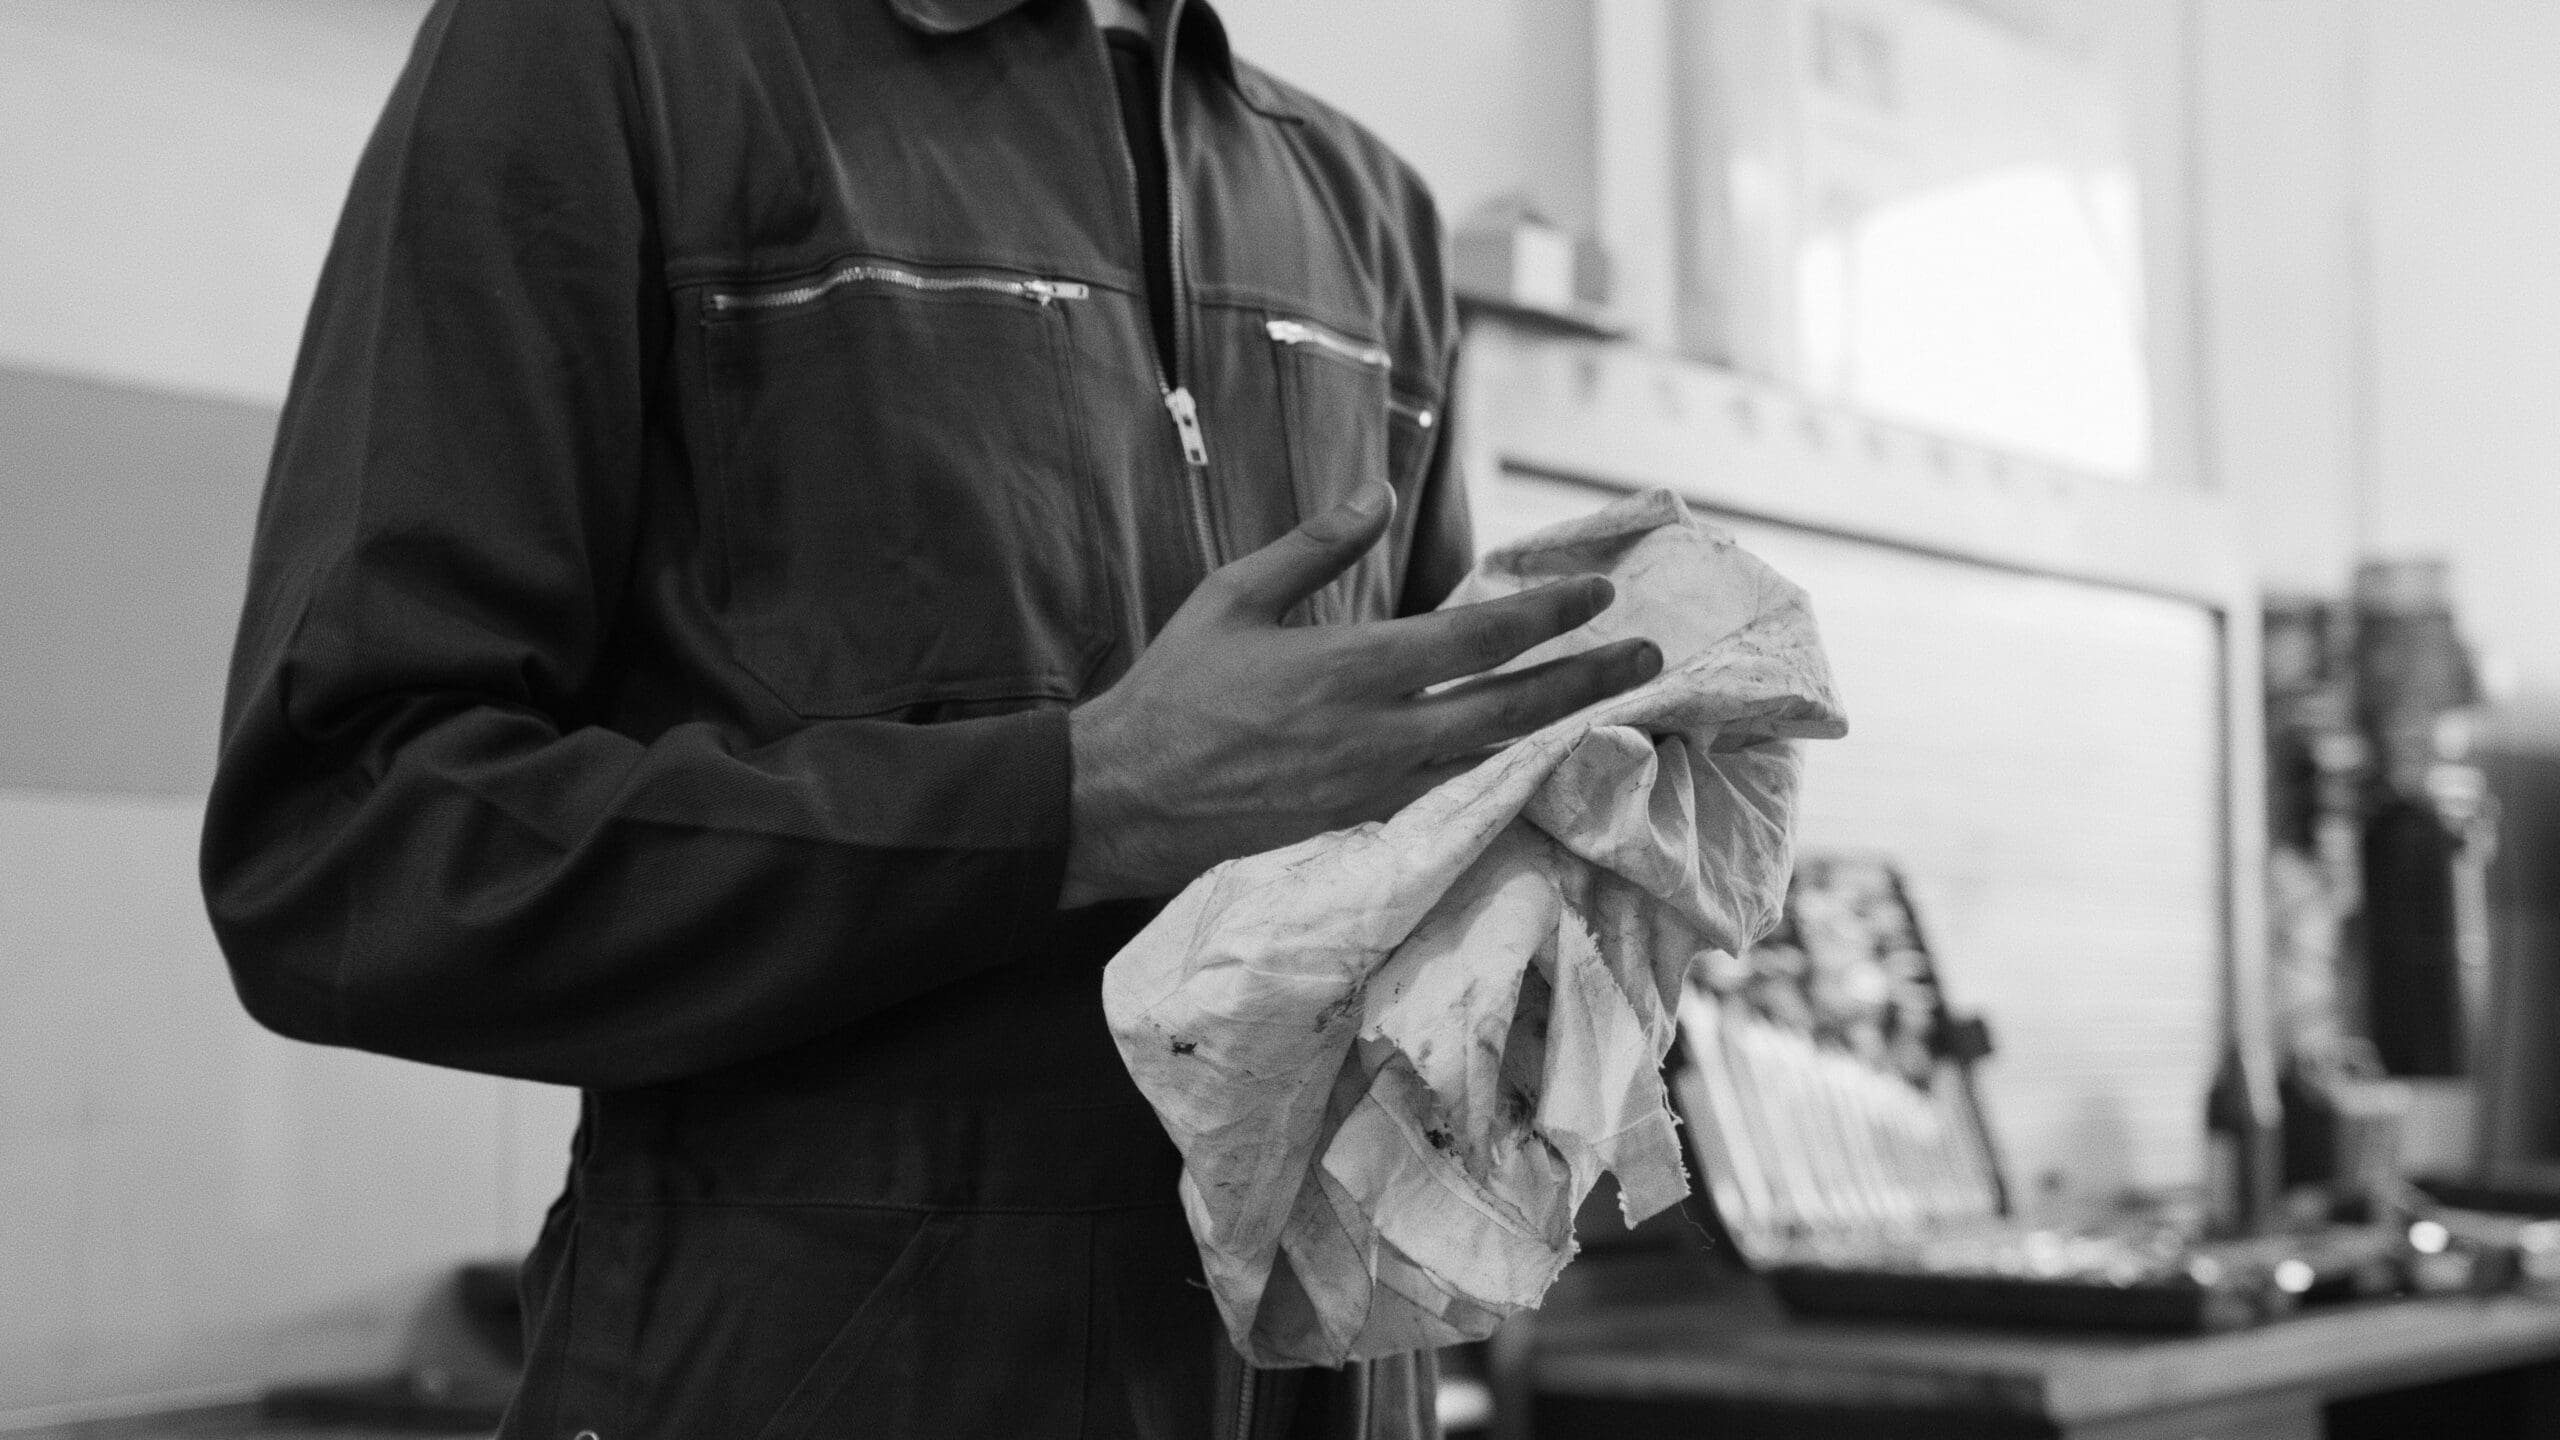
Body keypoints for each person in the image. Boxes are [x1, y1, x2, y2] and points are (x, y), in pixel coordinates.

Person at [199, 0, 1660, 1435]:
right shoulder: (609, 49)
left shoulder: (1366, 210)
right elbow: (343, 847)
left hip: (1332, 1389)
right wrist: (1076, 804)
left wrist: (1573, 884)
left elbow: (1406, 877)